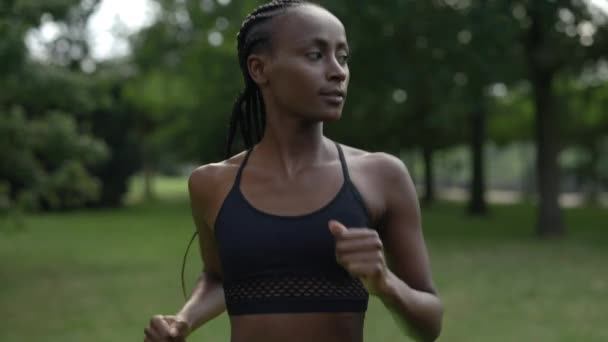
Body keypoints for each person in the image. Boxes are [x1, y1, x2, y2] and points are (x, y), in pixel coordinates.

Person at [143, 1, 443, 341]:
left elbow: (430, 323)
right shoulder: (211, 183)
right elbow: (221, 277)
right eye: (316, 55)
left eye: (342, 57)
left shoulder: (381, 176)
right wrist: (183, 320)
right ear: (259, 69)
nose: (338, 72)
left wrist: (385, 283)